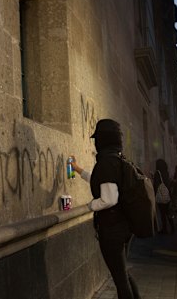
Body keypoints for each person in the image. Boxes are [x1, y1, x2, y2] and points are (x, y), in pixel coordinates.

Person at [70, 119, 140, 299]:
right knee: (123, 272)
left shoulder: (107, 161)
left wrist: (89, 206)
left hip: (112, 228)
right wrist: (78, 170)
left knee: (120, 278)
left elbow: (108, 199)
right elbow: (102, 181)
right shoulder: (117, 158)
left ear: (102, 140)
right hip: (124, 225)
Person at [153, 158, 174, 234]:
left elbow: (156, 185)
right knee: (168, 212)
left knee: (162, 214)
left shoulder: (157, 173)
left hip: (161, 196)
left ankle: (164, 229)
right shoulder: (166, 172)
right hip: (167, 195)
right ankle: (172, 228)